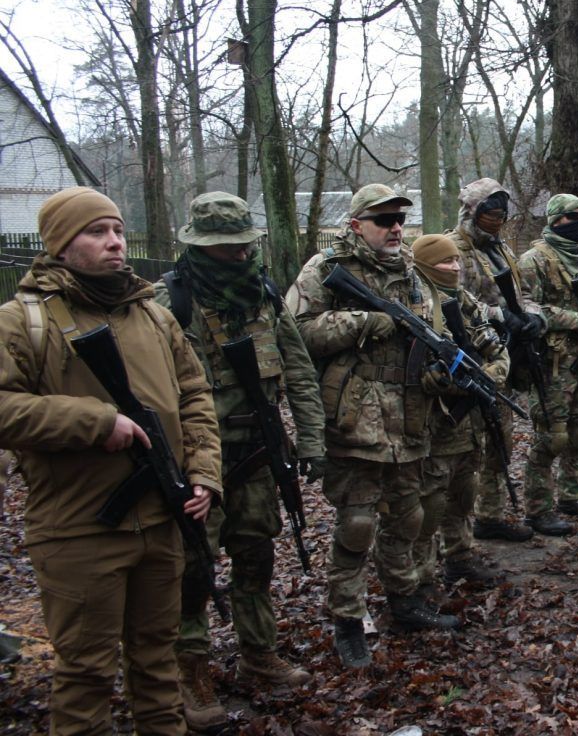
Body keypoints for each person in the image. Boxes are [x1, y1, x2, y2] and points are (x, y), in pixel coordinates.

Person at [0, 186, 222, 734]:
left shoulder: (155, 317)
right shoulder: (21, 321)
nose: (115, 242)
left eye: (118, 230)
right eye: (96, 232)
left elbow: (195, 397)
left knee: (158, 663)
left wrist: (203, 472)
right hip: (79, 528)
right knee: (86, 676)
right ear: (60, 244)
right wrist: (94, 422)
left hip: (163, 518)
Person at [154, 192, 325, 729]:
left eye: (241, 244)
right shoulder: (169, 301)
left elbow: (298, 370)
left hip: (256, 453)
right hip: (193, 462)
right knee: (194, 569)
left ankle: (258, 652)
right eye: (223, 245)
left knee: (256, 557)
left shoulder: (263, 293)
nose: (237, 254)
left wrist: (312, 442)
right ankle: (190, 670)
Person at [287, 183, 459, 671]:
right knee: (357, 524)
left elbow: (436, 329)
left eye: (399, 220)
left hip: (409, 416)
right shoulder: (325, 269)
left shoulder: (412, 272)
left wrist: (437, 370)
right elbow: (296, 332)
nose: (396, 228)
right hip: (354, 417)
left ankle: (404, 601)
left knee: (408, 517)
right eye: (384, 220)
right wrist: (363, 323)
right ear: (357, 224)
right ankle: (347, 618)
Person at [408, 234, 510, 588]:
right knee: (429, 503)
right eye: (445, 262)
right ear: (424, 265)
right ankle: (420, 576)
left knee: (465, 492)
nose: (454, 267)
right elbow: (416, 369)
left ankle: (460, 558)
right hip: (433, 423)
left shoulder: (465, 301)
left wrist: (488, 376)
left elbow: (497, 349)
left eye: (456, 261)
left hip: (470, 419)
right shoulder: (415, 304)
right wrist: (451, 381)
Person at [447, 178, 544, 543]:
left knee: (501, 441)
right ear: (472, 211)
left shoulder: (501, 249)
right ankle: (456, 535)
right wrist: (499, 315)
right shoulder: (453, 248)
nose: (498, 217)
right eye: (490, 211)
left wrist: (532, 316)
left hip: (505, 356)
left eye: (503, 212)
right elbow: (452, 298)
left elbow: (524, 292)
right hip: (472, 359)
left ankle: (490, 514)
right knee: (467, 451)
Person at [517, 193, 578, 534]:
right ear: (555, 221)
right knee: (552, 437)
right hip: (553, 362)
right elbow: (525, 307)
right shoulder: (534, 260)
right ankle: (537, 508)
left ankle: (573, 494)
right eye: (572, 217)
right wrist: (574, 320)